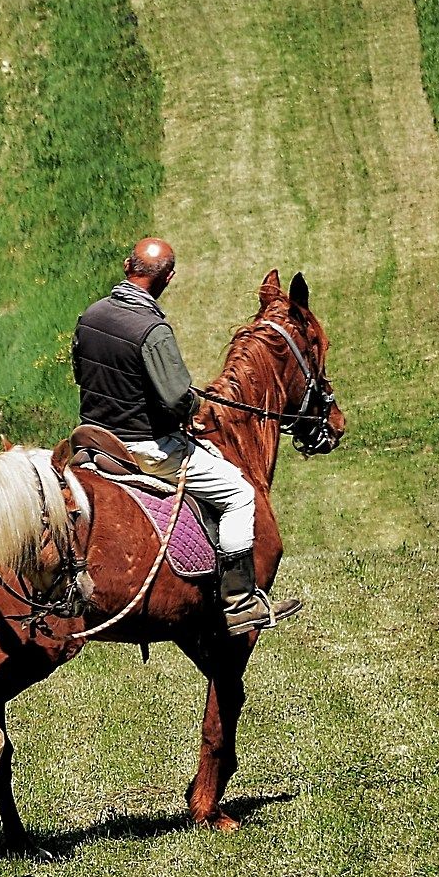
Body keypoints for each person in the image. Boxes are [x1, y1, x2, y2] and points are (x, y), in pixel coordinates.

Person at [71, 238, 282, 634]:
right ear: (169, 277)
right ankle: (239, 601)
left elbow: (82, 373)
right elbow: (176, 399)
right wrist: (187, 407)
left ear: (125, 265)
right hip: (145, 448)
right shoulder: (152, 329)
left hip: (93, 439)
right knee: (239, 494)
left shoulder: (91, 315)